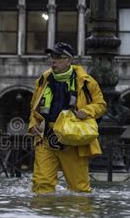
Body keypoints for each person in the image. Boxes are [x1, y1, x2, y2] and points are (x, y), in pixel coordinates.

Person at [27, 42, 107, 194]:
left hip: (73, 138)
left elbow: (101, 105)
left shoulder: (86, 81)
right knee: (41, 184)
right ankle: (43, 215)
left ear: (69, 60)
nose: (53, 61)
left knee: (79, 188)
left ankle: (78, 215)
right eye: (52, 57)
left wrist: (87, 111)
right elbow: (34, 107)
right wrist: (33, 124)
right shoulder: (43, 80)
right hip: (45, 137)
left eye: (58, 57)